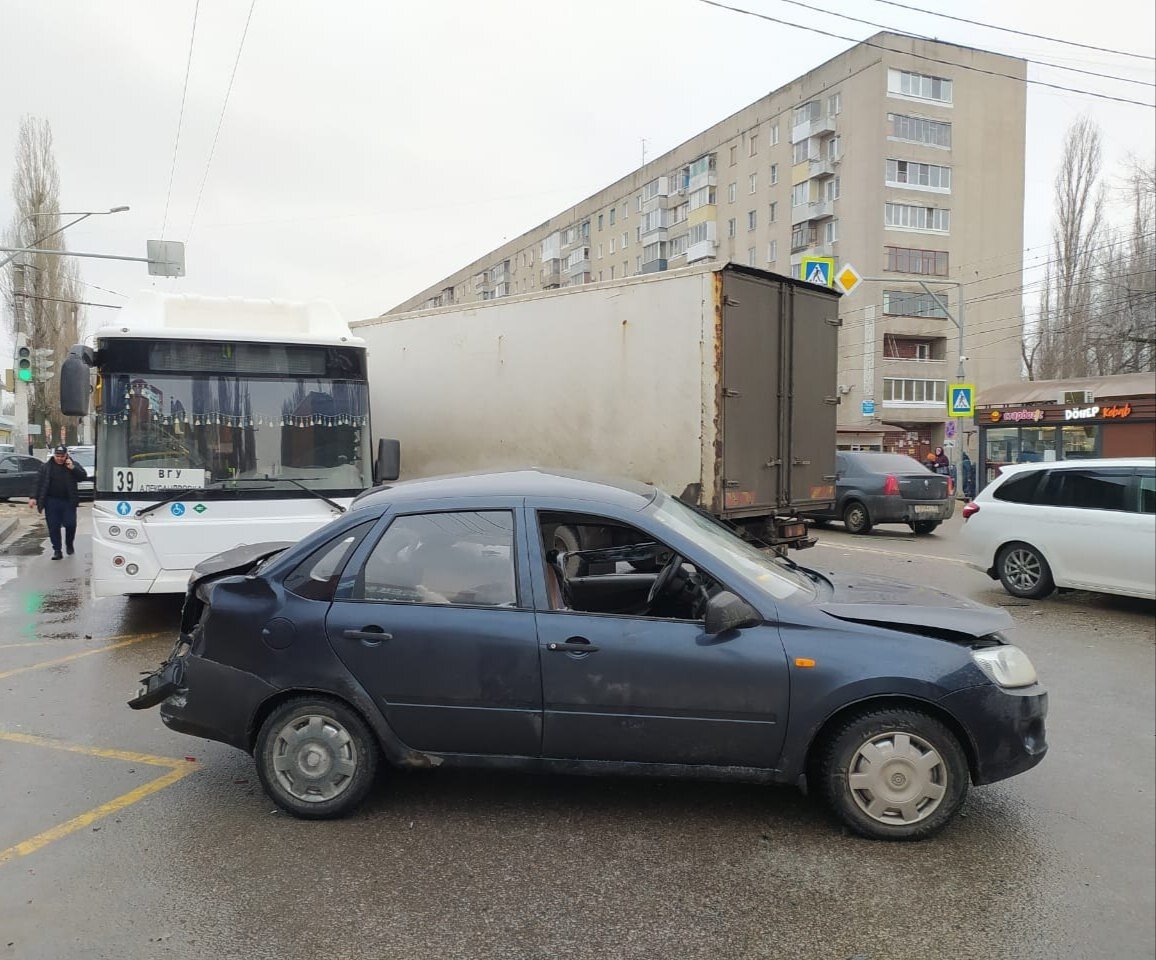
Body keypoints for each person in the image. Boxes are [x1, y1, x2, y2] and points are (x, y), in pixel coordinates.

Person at [29, 445, 88, 560]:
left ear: (66, 455)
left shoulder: (72, 464)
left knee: (70, 524)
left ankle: (69, 544)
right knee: (53, 526)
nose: (60, 458)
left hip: (68, 501)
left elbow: (83, 476)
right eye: (57, 456)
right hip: (51, 501)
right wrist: (33, 497)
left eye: (62, 456)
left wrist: (73, 468)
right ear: (54, 455)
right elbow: (37, 482)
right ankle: (57, 550)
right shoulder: (46, 467)